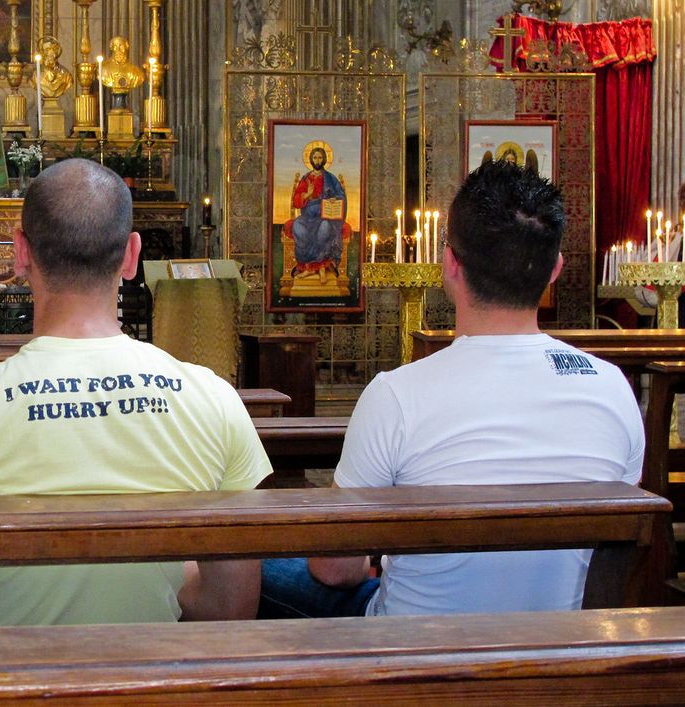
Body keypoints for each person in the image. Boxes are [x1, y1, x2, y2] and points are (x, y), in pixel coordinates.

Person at [0, 158, 272, 628]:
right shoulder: (214, 400)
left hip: (7, 690)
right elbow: (231, 609)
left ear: (21, 253)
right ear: (132, 256)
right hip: (153, 689)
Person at [259, 159, 644, 619]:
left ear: (449, 263)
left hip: (416, 659)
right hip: (560, 654)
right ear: (555, 269)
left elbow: (334, 569)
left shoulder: (396, 396)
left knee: (253, 563)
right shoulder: (612, 390)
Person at [282, 145, 350, 285]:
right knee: (298, 226)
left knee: (324, 228)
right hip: (307, 217)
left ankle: (322, 267)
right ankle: (308, 267)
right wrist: (307, 193)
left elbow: (341, 196)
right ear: (311, 159)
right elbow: (296, 201)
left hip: (325, 215)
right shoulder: (306, 179)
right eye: (315, 157)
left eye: (320, 157)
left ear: (324, 159)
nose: (317, 160)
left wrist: (334, 199)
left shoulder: (331, 179)